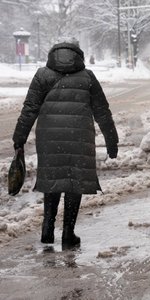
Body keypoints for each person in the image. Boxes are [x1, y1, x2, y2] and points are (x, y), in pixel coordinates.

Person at [12, 37, 119, 250]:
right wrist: (111, 141)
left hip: (49, 138)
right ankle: (68, 233)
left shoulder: (42, 75)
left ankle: (47, 228)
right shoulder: (87, 77)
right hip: (79, 137)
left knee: (53, 178)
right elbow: (102, 111)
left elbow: (29, 109)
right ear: (78, 54)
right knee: (74, 182)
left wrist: (19, 139)